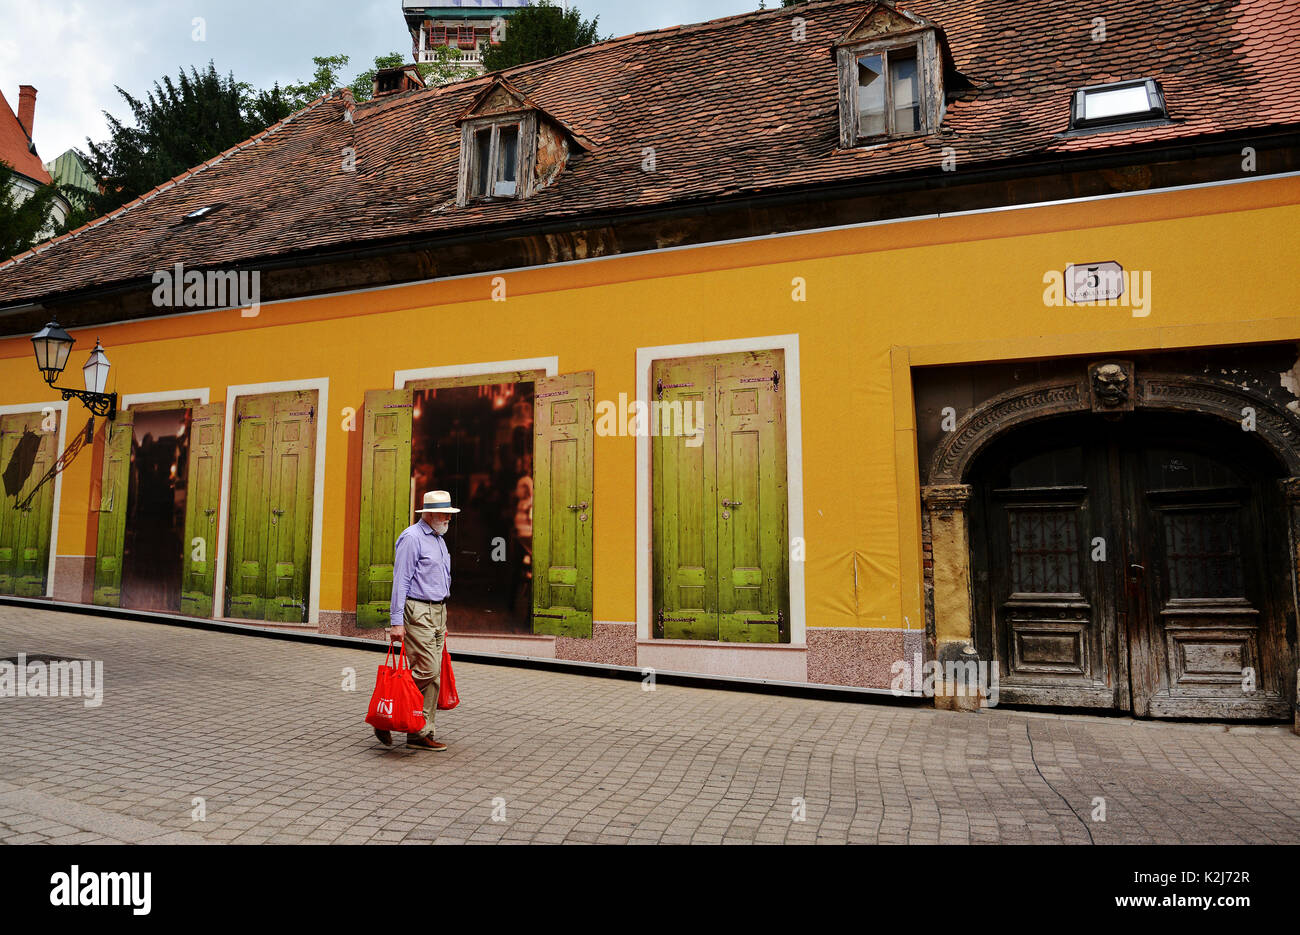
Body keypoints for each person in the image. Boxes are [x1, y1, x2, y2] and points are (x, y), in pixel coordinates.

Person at [374, 490, 460, 752]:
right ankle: (388, 711)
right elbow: (400, 581)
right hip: (418, 611)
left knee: (435, 677)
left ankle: (420, 732)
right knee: (428, 670)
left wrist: (442, 617)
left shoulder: (438, 539)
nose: (448, 518)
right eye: (444, 514)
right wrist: (396, 622)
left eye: (449, 514)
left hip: (437, 612)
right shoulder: (412, 538)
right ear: (430, 514)